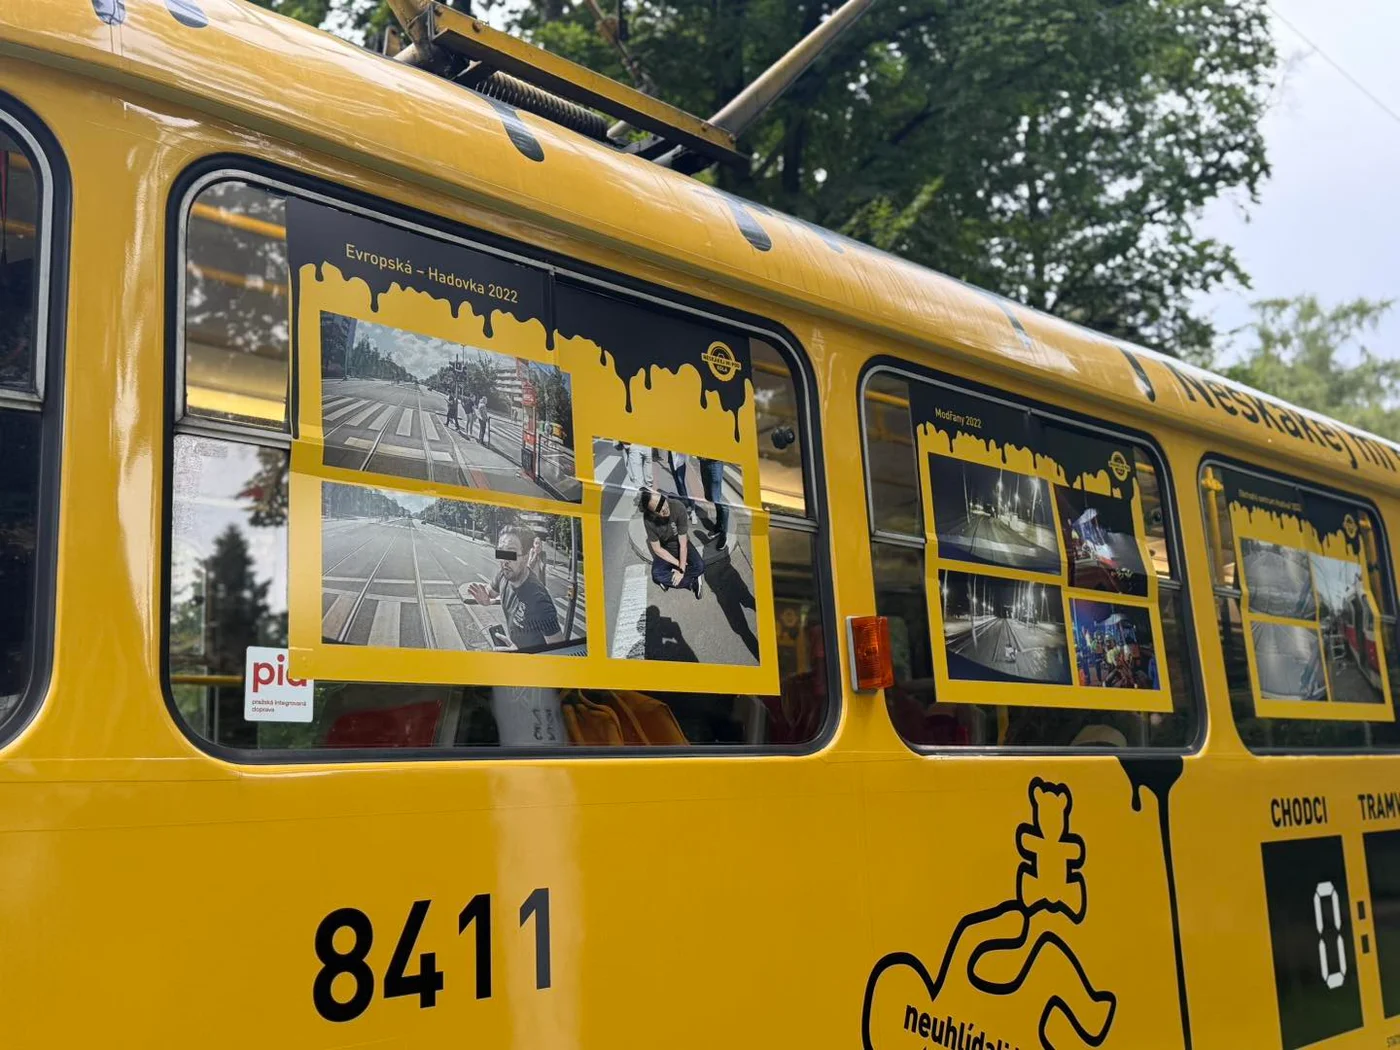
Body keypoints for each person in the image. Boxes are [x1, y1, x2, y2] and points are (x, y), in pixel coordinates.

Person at [463, 527, 565, 652]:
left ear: (526, 557)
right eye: (501, 553)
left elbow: (560, 653)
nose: (504, 561)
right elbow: (490, 592)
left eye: (511, 554)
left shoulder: (540, 601)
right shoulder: (503, 575)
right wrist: (486, 600)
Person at [638, 488, 704, 598]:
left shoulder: (677, 507)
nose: (664, 508)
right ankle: (692, 583)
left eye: (663, 501)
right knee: (657, 574)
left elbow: (683, 545)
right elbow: (657, 549)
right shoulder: (648, 520)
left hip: (682, 544)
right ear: (652, 513)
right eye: (658, 508)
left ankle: (671, 577)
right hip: (666, 548)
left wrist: (681, 570)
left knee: (700, 566)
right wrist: (679, 565)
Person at [697, 456, 730, 552]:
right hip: (703, 461)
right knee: (711, 497)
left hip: (714, 462)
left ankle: (723, 534)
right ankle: (719, 526)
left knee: (718, 499)